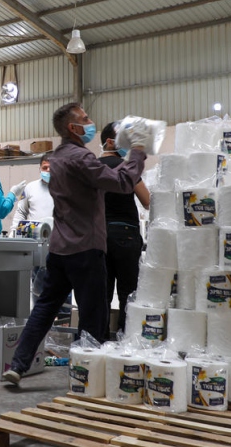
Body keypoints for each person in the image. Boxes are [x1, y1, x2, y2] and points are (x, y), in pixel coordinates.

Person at [3, 102, 150, 385]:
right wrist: (138, 151)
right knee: (93, 313)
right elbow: (121, 182)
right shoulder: (81, 158)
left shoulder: (56, 158)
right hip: (85, 247)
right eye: (85, 118)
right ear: (73, 127)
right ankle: (85, 376)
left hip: (59, 246)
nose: (90, 121)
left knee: (45, 307)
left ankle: (18, 365)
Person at [97, 122, 150, 335]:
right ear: (110, 142)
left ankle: (96, 339)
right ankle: (125, 338)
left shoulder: (93, 167)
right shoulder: (126, 168)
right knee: (128, 291)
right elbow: (147, 200)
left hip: (98, 235)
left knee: (102, 291)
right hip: (125, 234)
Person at [9, 153, 66, 309]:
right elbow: (21, 212)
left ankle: (63, 320)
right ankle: (39, 318)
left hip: (61, 245)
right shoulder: (30, 188)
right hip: (37, 245)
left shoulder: (66, 188)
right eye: (44, 167)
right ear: (39, 168)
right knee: (38, 287)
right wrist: (14, 232)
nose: (47, 171)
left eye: (51, 168)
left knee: (63, 286)